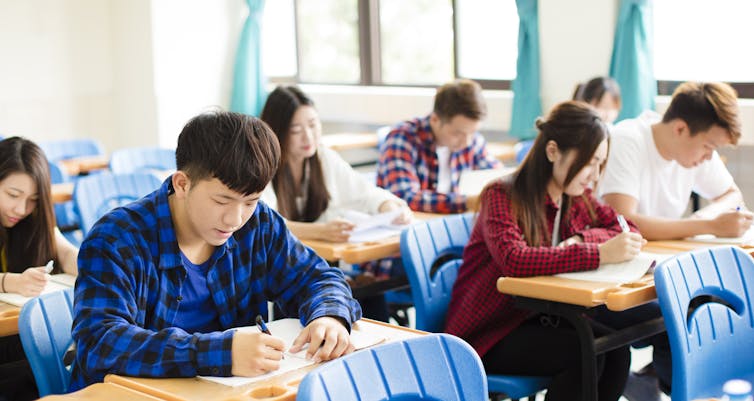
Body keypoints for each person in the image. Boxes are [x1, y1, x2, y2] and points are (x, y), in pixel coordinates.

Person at [70, 111, 362, 391]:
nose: (235, 219)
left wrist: (329, 317)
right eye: (222, 201)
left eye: (250, 201)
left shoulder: (258, 224)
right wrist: (221, 353)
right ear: (182, 184)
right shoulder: (117, 238)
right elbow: (99, 342)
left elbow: (318, 278)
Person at [445, 101, 669, 401]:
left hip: (539, 317)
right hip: (489, 332)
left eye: (600, 163)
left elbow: (625, 227)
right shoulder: (502, 194)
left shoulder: (575, 195)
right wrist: (599, 253)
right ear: (552, 151)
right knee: (583, 353)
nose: (594, 174)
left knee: (614, 350)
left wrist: (581, 239)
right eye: (589, 162)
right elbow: (515, 259)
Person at [259, 85, 411, 322]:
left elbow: (365, 194)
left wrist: (388, 207)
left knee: (368, 295)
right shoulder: (264, 166)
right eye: (296, 129)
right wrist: (320, 231)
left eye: (313, 124)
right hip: (285, 276)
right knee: (350, 296)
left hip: (324, 269)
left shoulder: (324, 158)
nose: (308, 137)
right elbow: (264, 223)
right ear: (276, 130)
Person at [600, 81, 753, 241]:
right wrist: (709, 225)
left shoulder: (696, 149)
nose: (709, 157)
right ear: (680, 129)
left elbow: (732, 195)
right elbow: (622, 222)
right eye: (708, 146)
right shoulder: (628, 139)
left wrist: (702, 219)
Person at [0, 136, 79, 401]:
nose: (21, 209)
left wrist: (85, 265)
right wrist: (11, 282)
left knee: (68, 362)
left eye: (33, 199)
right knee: (38, 375)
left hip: (18, 337)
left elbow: (65, 251)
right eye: (12, 195)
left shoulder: (33, 218)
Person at [377, 79, 503, 214]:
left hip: (449, 222)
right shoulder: (402, 138)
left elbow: (497, 176)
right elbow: (403, 197)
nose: (466, 142)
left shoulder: (472, 140)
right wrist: (468, 201)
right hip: (411, 226)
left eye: (472, 132)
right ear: (435, 120)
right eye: (457, 133)